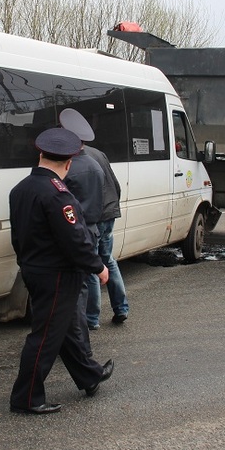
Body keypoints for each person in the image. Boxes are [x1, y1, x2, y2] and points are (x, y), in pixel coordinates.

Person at [8, 127, 115, 415]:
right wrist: (99, 267)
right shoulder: (59, 195)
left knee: (64, 328)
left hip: (34, 269)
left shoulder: (20, 189)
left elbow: (17, 237)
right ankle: (26, 397)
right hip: (57, 274)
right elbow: (75, 241)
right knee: (44, 337)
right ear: (68, 162)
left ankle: (89, 375)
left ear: (41, 155)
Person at [60, 108, 130, 326]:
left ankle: (92, 318)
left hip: (94, 216)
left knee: (91, 265)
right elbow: (115, 185)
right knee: (108, 260)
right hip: (109, 212)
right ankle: (121, 307)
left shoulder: (71, 159)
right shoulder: (98, 153)